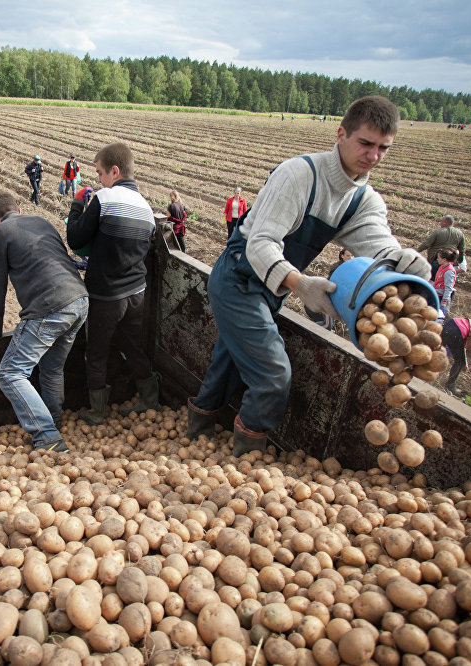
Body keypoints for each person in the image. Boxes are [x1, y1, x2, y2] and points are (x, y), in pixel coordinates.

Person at [184, 95, 430, 455]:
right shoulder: (299, 175)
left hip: (271, 289)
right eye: (365, 143)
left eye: (383, 148)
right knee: (272, 375)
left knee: (230, 361)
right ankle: (246, 456)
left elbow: (382, 250)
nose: (373, 156)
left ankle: (197, 431)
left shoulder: (364, 201)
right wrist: (300, 284)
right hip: (238, 278)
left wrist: (407, 262)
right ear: (341, 133)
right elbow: (261, 243)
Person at [0, 192, 89, 453]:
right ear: (18, 209)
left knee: (10, 373)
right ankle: (52, 420)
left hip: (51, 307)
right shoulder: (41, 221)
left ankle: (47, 436)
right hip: (79, 300)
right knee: (52, 368)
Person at [67, 142, 158, 424]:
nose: (98, 180)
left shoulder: (105, 198)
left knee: (96, 350)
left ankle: (96, 411)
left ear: (114, 171)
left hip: (107, 295)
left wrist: (78, 204)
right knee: (132, 345)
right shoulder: (146, 209)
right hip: (136, 293)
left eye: (99, 173)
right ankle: (149, 399)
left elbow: (76, 239)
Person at [305, 247, 354, 329]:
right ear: (342, 256)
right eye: (348, 256)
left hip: (342, 299)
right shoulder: (337, 268)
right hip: (331, 294)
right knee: (327, 324)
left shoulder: (353, 267)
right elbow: (332, 283)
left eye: (352, 256)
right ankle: (318, 326)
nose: (351, 258)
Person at [416, 214, 466, 280]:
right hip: (451, 262)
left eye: (441, 221)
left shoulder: (437, 232)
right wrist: (459, 260)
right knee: (445, 281)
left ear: (445, 222)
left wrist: (416, 251)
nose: (440, 223)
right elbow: (462, 249)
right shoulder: (460, 234)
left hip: (437, 260)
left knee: (431, 280)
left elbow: (426, 244)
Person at [434, 247, 459, 317]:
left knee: (440, 317)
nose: (437, 259)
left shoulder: (449, 271)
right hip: (437, 294)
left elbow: (448, 288)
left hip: (442, 297)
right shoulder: (442, 267)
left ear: (444, 260)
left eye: (439, 257)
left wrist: (444, 302)